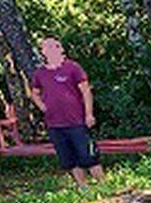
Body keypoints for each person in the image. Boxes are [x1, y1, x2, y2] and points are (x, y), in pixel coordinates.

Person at [29, 37, 104, 188]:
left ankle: (104, 186)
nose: (52, 49)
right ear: (43, 51)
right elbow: (34, 93)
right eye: (47, 47)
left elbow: (86, 92)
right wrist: (42, 107)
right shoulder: (40, 73)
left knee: (89, 157)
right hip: (55, 124)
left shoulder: (72, 68)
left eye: (55, 46)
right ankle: (84, 188)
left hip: (77, 121)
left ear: (61, 49)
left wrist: (89, 114)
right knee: (69, 159)